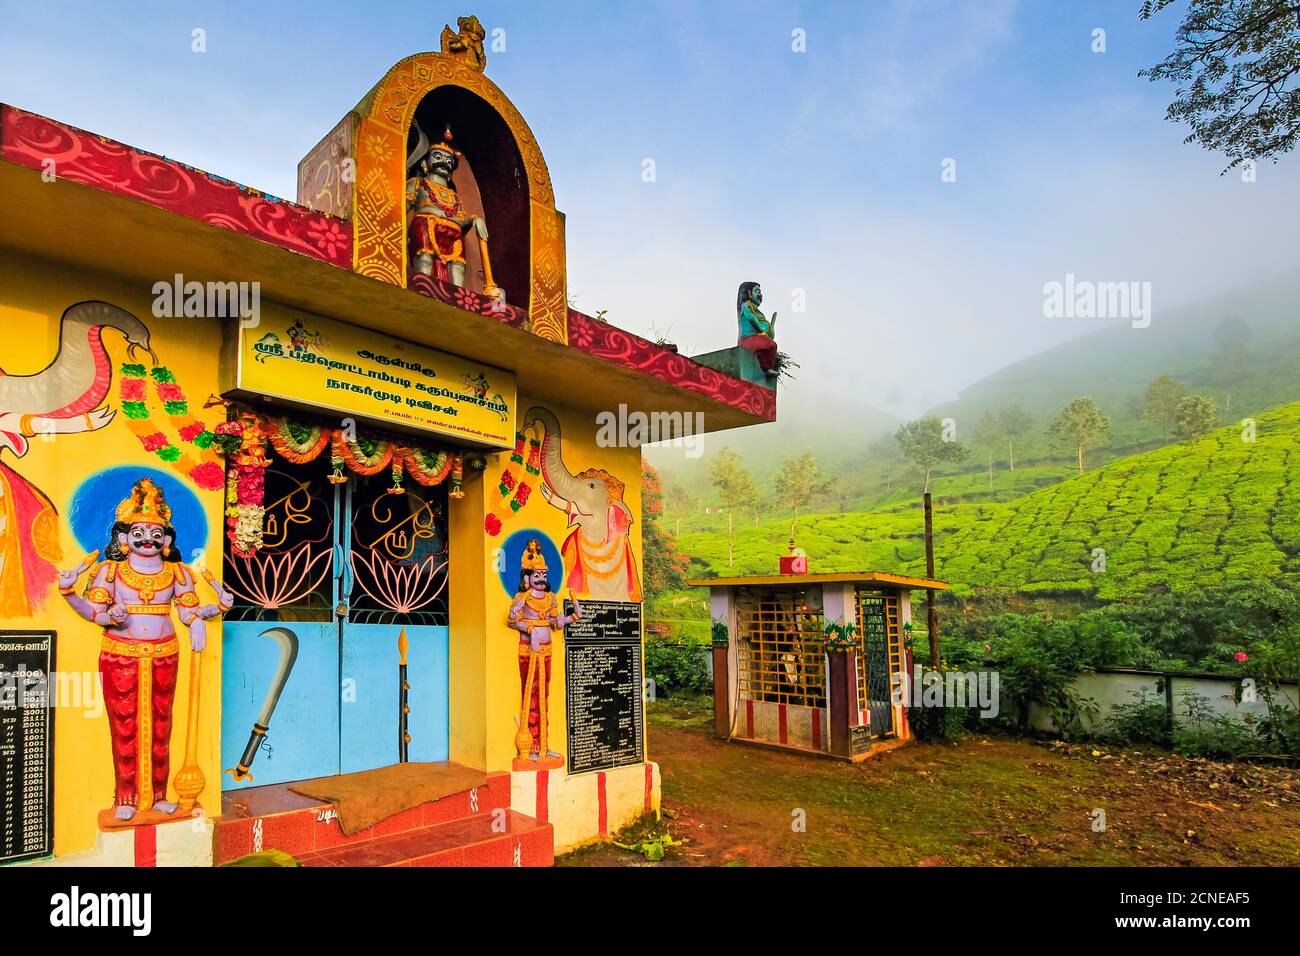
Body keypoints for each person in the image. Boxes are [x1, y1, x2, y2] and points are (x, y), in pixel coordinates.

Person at [57, 478, 231, 821]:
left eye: (155, 533)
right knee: (124, 726)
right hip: (120, 653)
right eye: (138, 532)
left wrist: (217, 609)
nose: (147, 538)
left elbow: (189, 611)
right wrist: (71, 593)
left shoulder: (179, 573)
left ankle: (159, 795)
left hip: (165, 653)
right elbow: (96, 613)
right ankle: (126, 796)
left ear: (166, 540)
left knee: (161, 726)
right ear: (124, 538)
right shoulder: (110, 570)